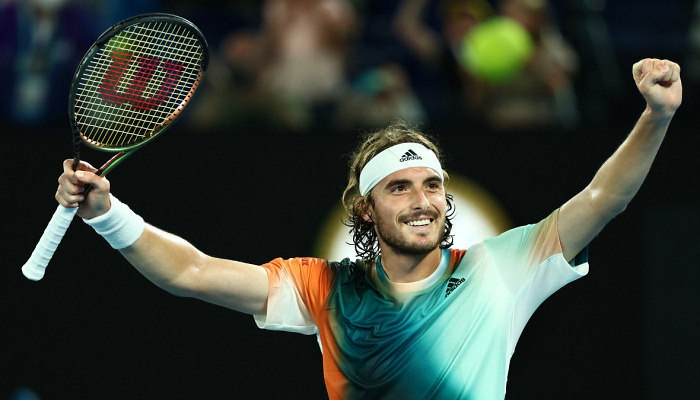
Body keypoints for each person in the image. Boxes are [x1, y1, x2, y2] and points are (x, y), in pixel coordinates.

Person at [55, 58, 682, 399]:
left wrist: (655, 116)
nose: (422, 201)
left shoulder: (497, 268)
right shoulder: (326, 288)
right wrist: (107, 213)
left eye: (432, 185)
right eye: (399, 188)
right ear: (366, 209)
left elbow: (603, 197)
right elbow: (191, 272)